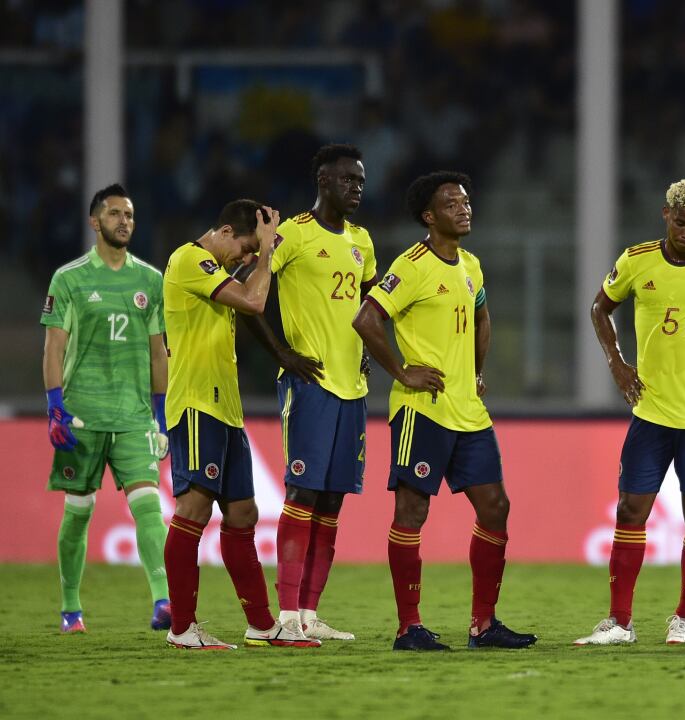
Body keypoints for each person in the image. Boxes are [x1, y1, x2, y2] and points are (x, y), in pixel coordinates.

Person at [353, 171, 537, 651]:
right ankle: (408, 627)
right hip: (423, 410)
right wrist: (401, 371)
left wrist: (475, 369)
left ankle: (483, 624)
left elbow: (481, 315)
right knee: (412, 511)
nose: (464, 207)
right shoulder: (411, 266)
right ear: (429, 217)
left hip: (467, 410)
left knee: (496, 506)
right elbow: (367, 318)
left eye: (466, 200)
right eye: (451, 203)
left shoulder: (472, 265)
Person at [573, 179, 685, 647]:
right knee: (630, 509)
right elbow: (601, 308)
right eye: (681, 223)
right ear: (666, 214)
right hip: (651, 411)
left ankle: (683, 618)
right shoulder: (636, 260)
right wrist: (617, 363)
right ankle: (620, 621)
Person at [161, 200, 320, 649]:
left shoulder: (215, 270)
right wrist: (268, 252)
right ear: (226, 229)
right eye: (247, 247)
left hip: (225, 408)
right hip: (195, 404)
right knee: (192, 510)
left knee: (243, 514)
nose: (249, 257)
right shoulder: (189, 259)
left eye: (255, 251)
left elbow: (247, 306)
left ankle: (261, 624)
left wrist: (281, 354)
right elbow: (255, 301)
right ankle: (181, 629)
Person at [249, 144, 377, 641]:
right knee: (302, 493)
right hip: (311, 386)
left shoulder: (362, 241)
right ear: (323, 180)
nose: (357, 189)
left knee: (332, 500)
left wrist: (369, 345)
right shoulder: (295, 235)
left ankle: (308, 615)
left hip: (353, 388)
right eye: (349, 180)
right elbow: (248, 292)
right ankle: (284, 617)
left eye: (361, 182)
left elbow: (369, 301)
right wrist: (280, 351)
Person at [40, 183, 171, 633]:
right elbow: (53, 348)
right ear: (95, 222)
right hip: (82, 415)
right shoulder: (70, 279)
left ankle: (163, 602)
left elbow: (159, 353)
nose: (124, 221)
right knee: (78, 512)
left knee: (149, 506)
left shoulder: (151, 281)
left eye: (129, 215)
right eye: (114, 214)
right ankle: (71, 608)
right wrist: (55, 408)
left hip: (134, 416)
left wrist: (160, 416)